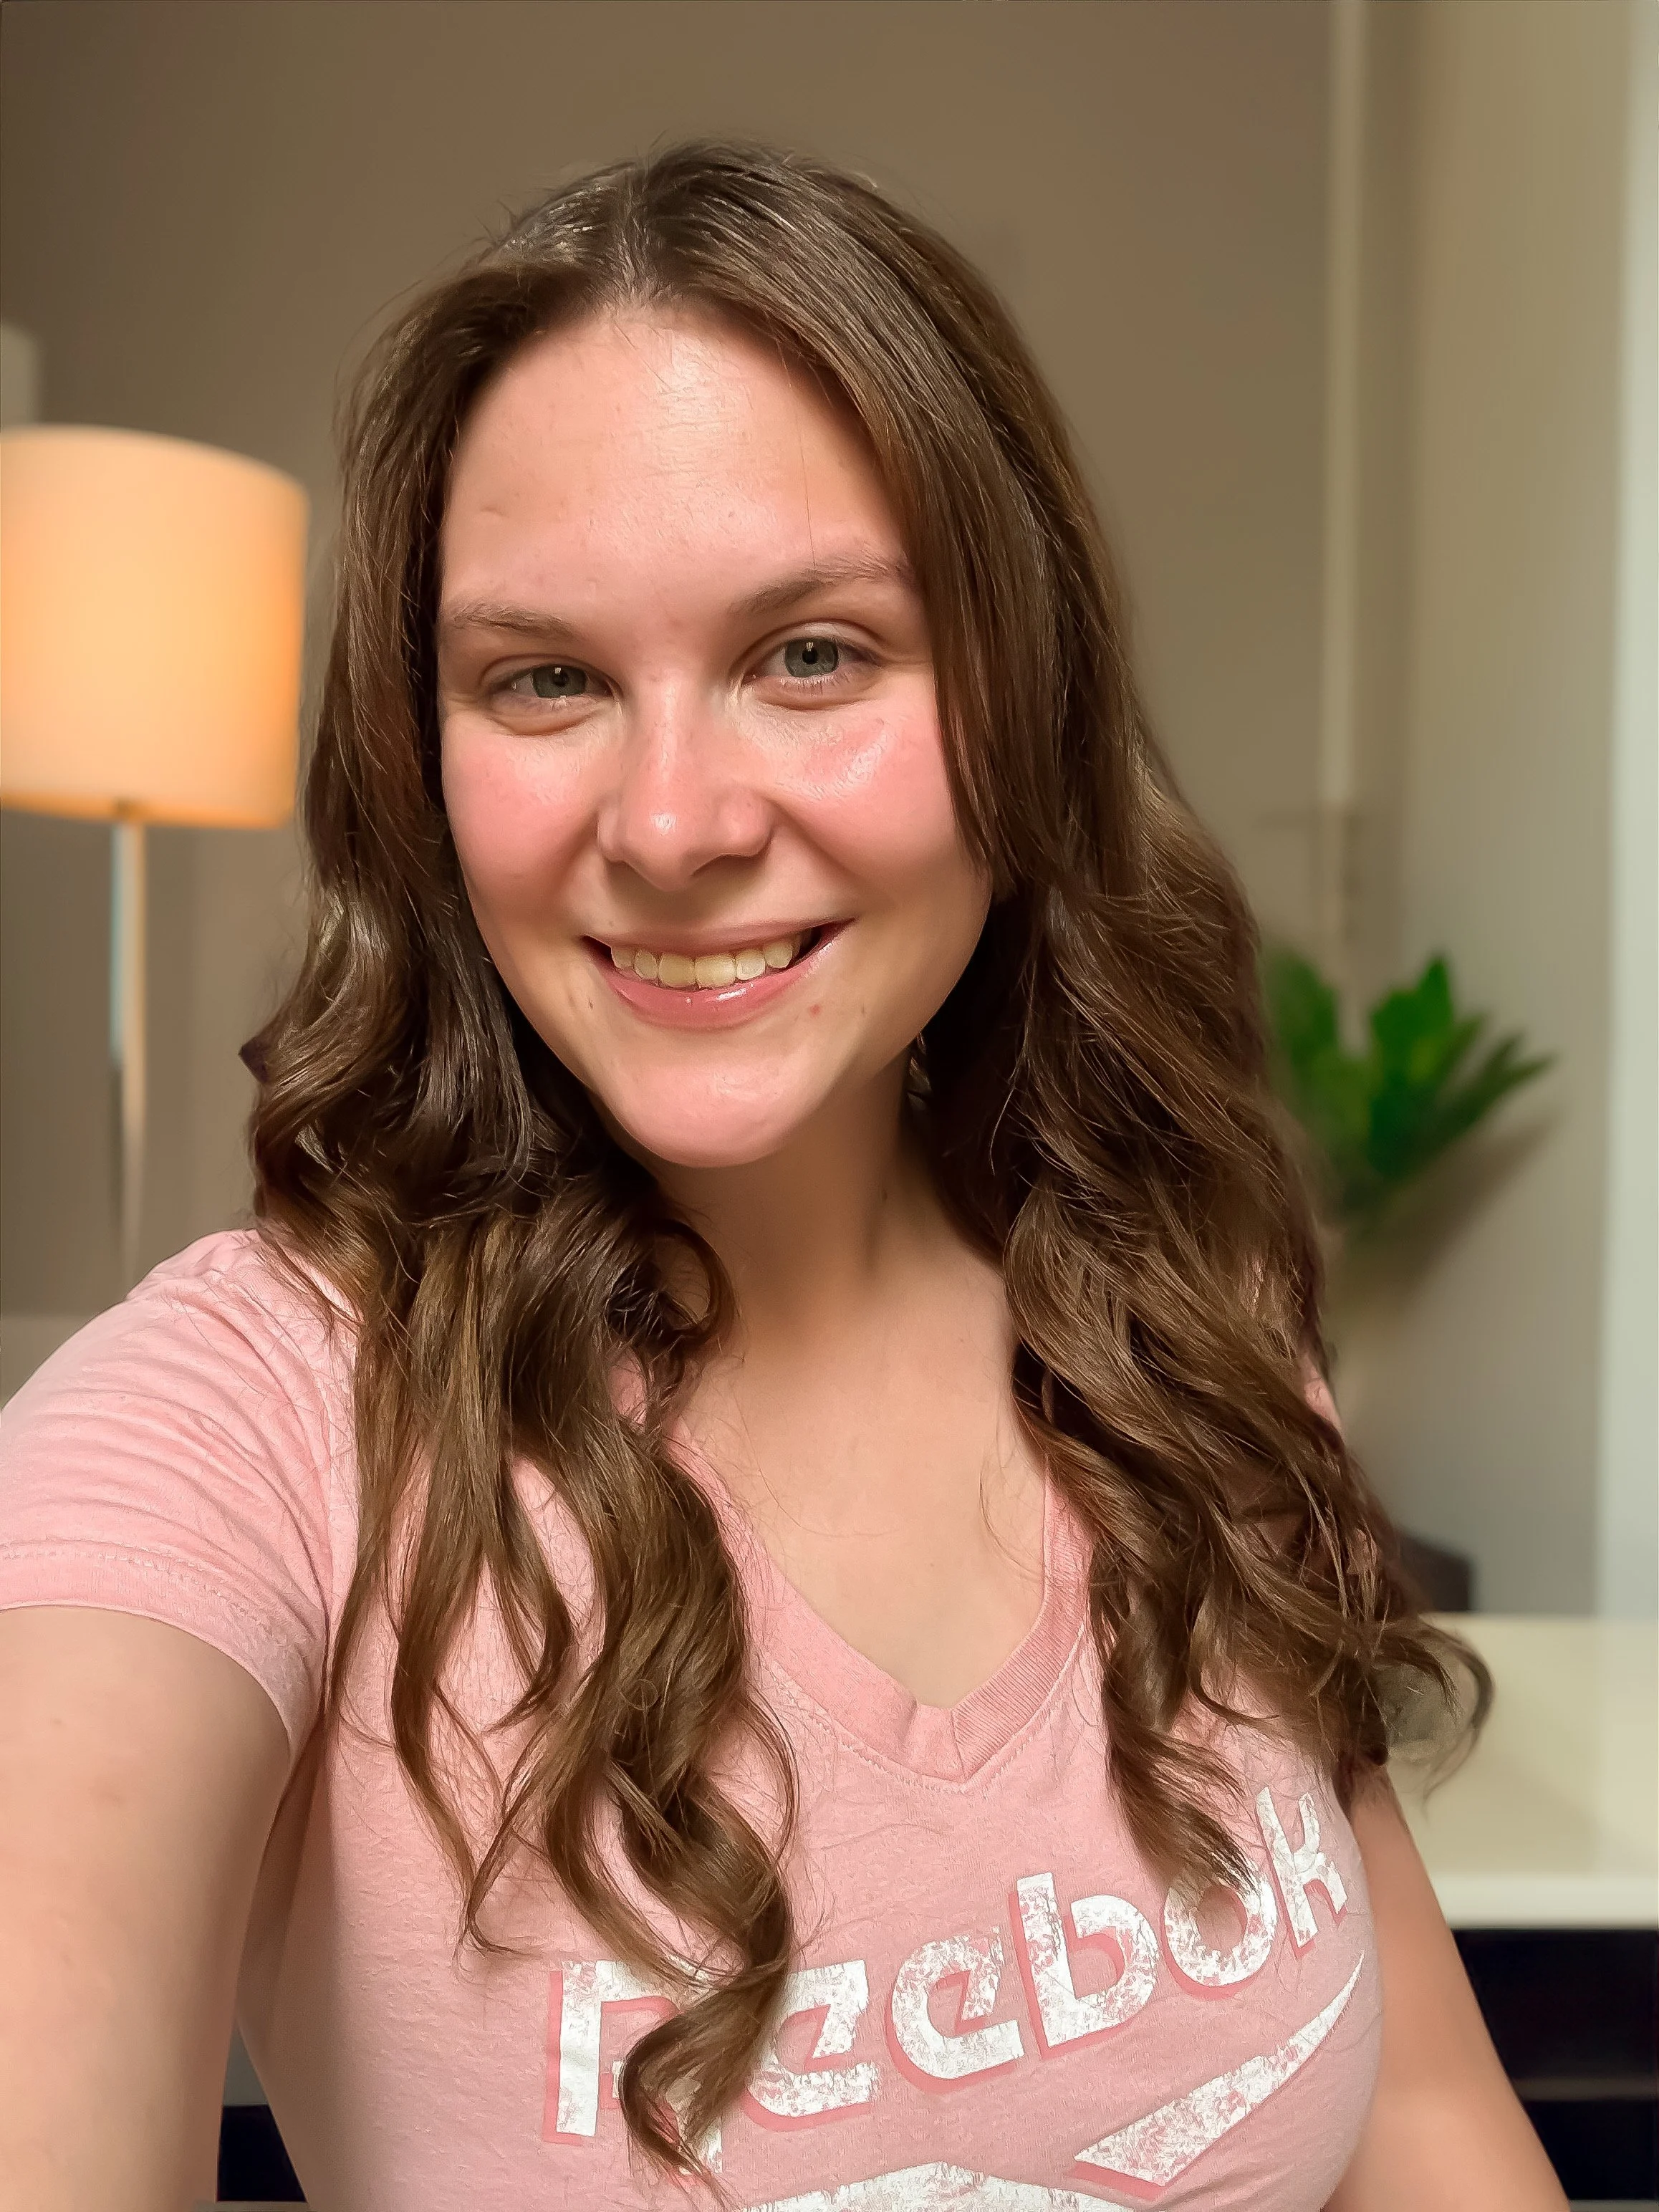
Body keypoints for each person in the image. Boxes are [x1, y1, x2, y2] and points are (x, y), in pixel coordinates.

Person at [0, 143, 1566, 2212]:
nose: (667, 821)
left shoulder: (1176, 1321)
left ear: (1025, 695)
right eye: (543, 678)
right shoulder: (247, 1424)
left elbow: (1428, 2123)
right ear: (422, 753)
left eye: (812, 653)